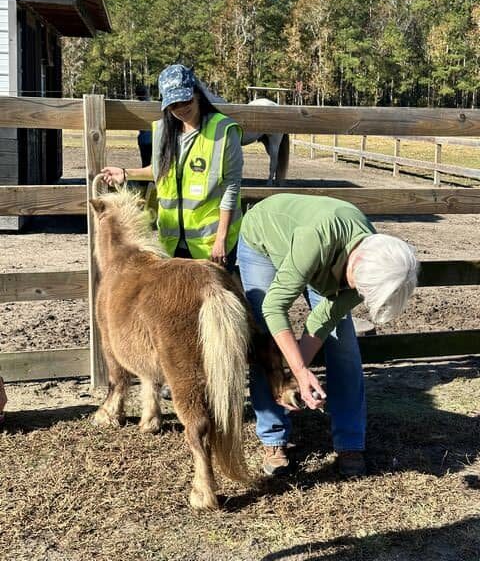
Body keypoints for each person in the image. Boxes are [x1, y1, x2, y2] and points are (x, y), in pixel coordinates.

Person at [237, 193, 418, 478]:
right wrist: (296, 369)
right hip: (264, 240)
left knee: (343, 346)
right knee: (267, 343)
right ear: (355, 263)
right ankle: (273, 438)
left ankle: (349, 442)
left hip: (323, 257)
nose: (356, 295)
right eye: (358, 288)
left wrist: (298, 378)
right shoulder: (316, 238)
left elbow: (324, 319)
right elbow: (275, 307)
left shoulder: (378, 264)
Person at [101, 64, 243, 272]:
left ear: (197, 93)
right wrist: (126, 173)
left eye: (186, 100)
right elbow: (162, 171)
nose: (181, 108)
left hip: (210, 242)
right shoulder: (162, 130)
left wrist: (220, 239)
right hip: (172, 241)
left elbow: (231, 187)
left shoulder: (223, 131)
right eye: (173, 104)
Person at [135, 84, 153, 168]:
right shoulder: (151, 105)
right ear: (146, 93)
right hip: (152, 139)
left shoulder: (136, 106)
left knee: (145, 163)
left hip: (143, 139)